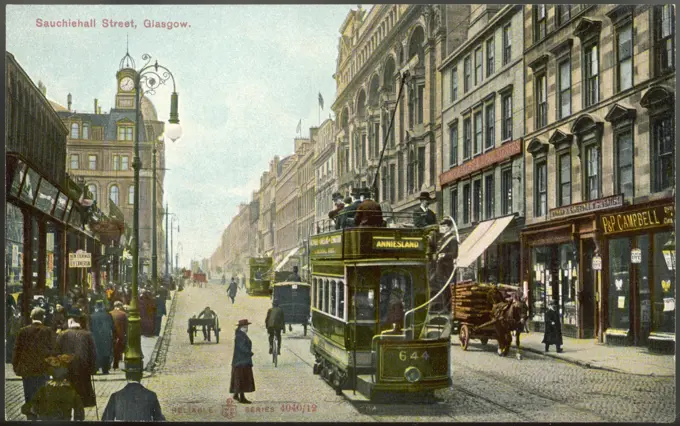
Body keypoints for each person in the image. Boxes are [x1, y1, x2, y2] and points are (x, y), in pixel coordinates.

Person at [12, 307, 57, 408]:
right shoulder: (48, 331)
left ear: (31, 317)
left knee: (29, 396)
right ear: (43, 317)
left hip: (27, 370)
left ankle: (30, 418)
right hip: (43, 370)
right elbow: (53, 351)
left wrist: (16, 367)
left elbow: (16, 351)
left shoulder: (23, 331)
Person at [21, 354, 85, 421]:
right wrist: (78, 419)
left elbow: (27, 407)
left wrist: (34, 410)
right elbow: (79, 410)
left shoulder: (45, 389)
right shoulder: (71, 391)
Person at [56, 315, 97, 408]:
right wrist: (93, 369)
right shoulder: (87, 335)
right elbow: (93, 354)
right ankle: (79, 418)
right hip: (83, 369)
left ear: (70, 322)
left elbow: (57, 353)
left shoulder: (62, 335)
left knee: (67, 398)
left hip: (67, 369)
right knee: (81, 399)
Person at [229, 319, 255, 404]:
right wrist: (249, 353)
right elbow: (241, 347)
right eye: (244, 327)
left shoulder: (241, 335)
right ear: (240, 327)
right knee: (242, 378)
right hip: (241, 361)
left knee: (239, 378)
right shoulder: (240, 336)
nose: (246, 328)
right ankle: (242, 397)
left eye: (246, 327)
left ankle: (236, 394)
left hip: (240, 361)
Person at [89, 300, 113, 375]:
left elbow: (90, 327)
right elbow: (112, 326)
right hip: (106, 337)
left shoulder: (92, 316)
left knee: (96, 353)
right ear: (103, 306)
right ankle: (105, 370)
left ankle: (95, 369)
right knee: (106, 353)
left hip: (95, 337)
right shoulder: (108, 315)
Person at [109, 301, 128, 371]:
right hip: (121, 335)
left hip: (112, 334)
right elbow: (126, 325)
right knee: (122, 350)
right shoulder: (123, 314)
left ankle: (112, 364)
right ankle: (121, 365)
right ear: (120, 306)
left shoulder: (110, 313)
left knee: (112, 350)